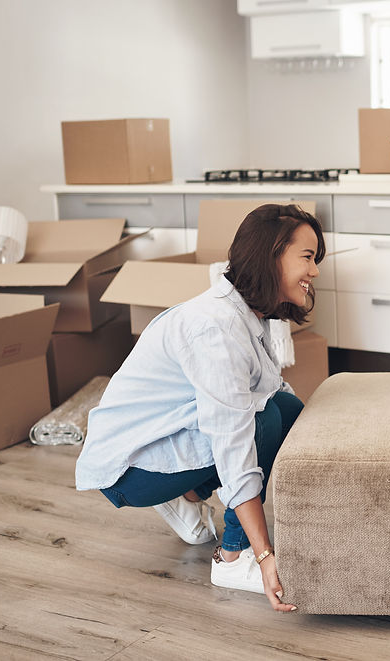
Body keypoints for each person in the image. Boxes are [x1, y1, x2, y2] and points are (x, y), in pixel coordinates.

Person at [76, 203, 325, 613]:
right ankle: (230, 558)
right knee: (263, 421)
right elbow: (233, 441)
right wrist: (263, 554)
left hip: (160, 434)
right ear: (271, 256)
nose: (314, 271)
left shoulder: (250, 313)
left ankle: (189, 491)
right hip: (126, 467)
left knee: (285, 408)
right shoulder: (216, 328)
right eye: (307, 257)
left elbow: (272, 391)